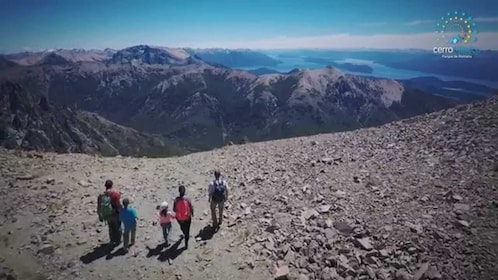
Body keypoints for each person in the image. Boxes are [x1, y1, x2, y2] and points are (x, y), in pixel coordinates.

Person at [97, 179, 122, 246]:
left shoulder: (101, 195)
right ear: (112, 185)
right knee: (118, 227)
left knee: (110, 227)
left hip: (107, 215)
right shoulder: (115, 194)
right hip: (115, 214)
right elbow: (118, 205)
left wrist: (100, 215)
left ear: (105, 186)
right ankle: (118, 241)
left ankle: (112, 240)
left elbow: (98, 206)